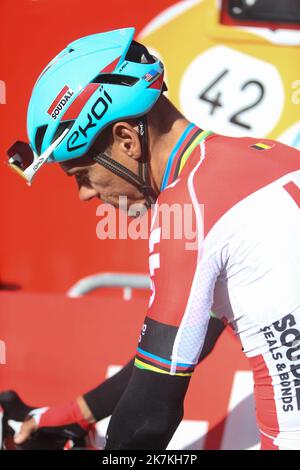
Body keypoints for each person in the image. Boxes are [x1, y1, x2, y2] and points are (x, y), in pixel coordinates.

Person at [6, 27, 300, 450]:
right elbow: (186, 348)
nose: (86, 194)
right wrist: (73, 414)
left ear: (127, 140)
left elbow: (150, 414)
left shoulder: (188, 205)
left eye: (82, 175)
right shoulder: (271, 155)